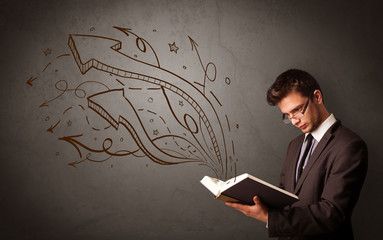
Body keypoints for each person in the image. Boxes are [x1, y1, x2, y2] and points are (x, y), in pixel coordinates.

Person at [226, 69, 368, 239]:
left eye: (298, 110)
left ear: (317, 97)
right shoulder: (294, 145)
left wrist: (269, 217)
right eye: (287, 115)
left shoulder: (349, 145)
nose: (293, 121)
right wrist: (253, 198)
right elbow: (286, 196)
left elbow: (333, 213)